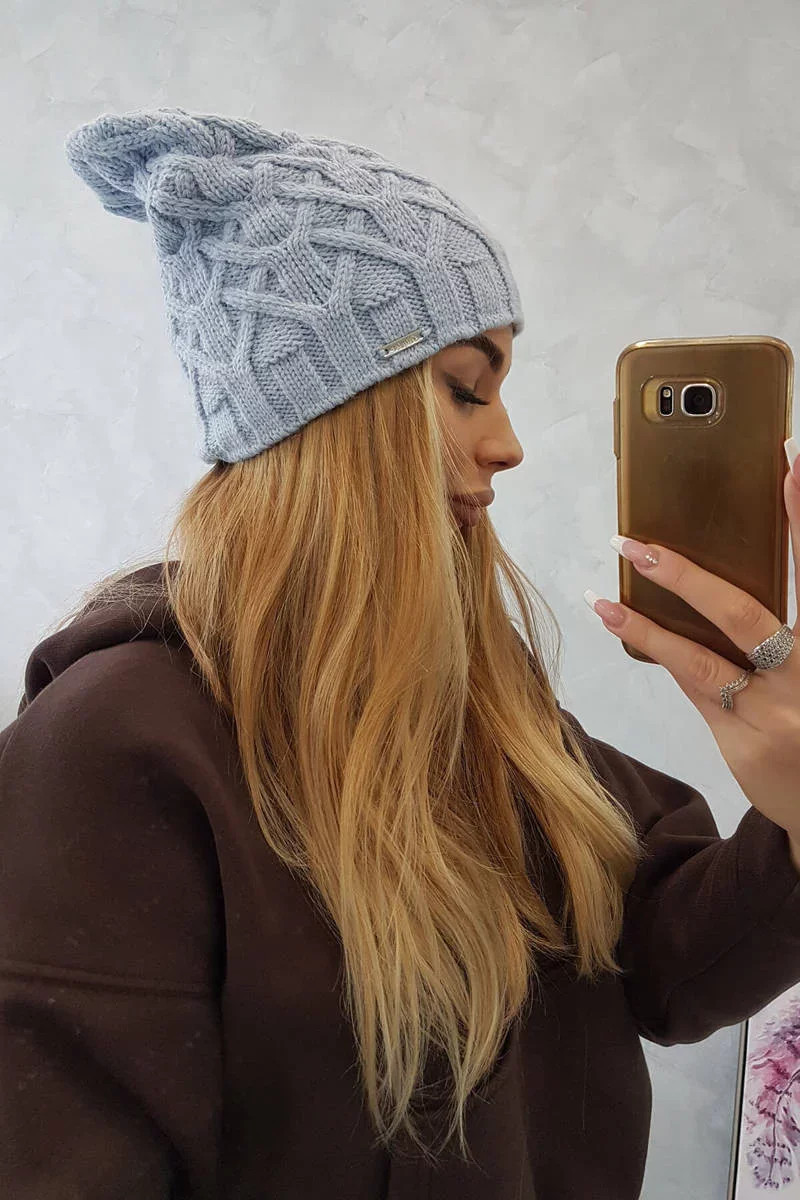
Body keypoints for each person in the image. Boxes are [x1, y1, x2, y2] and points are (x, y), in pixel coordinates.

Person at [3, 106, 800, 1200]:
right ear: (328, 414)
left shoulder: (479, 698)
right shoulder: (111, 752)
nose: (508, 443)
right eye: (466, 387)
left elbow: (661, 967)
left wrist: (794, 822)